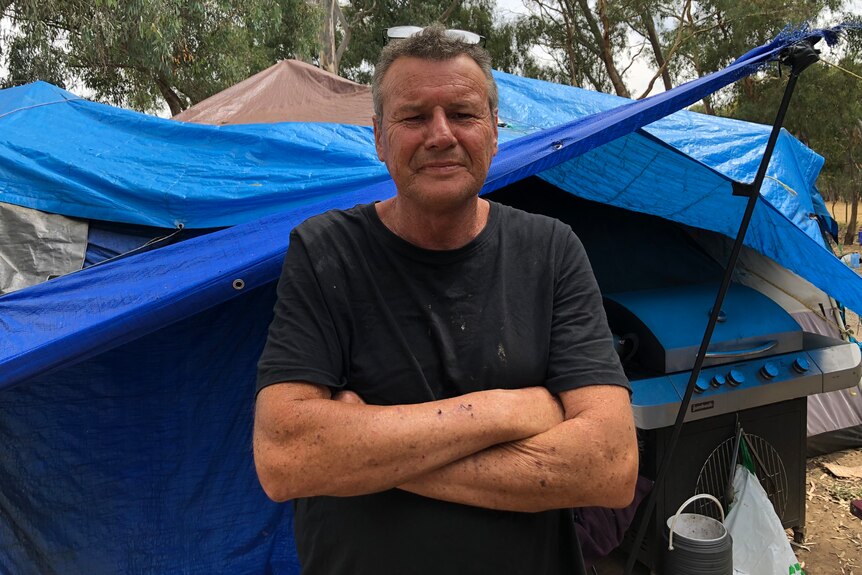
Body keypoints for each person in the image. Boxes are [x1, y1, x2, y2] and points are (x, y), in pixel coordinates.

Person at [253, 24, 638, 575]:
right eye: (413, 117)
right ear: (380, 138)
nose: (441, 135)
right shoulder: (325, 251)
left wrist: (367, 453)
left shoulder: (550, 250)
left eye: (462, 114)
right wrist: (507, 410)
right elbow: (286, 458)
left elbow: (609, 465)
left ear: (494, 132)